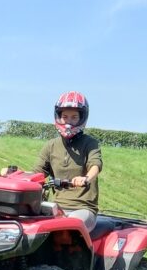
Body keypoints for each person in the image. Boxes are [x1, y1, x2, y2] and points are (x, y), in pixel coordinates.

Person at [32, 91, 102, 232]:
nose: (68, 121)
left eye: (74, 117)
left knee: (69, 228)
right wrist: (13, 175)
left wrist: (86, 178)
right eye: (65, 117)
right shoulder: (51, 145)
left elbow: (95, 165)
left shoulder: (90, 143)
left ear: (82, 118)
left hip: (83, 208)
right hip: (57, 207)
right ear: (58, 117)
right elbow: (36, 173)